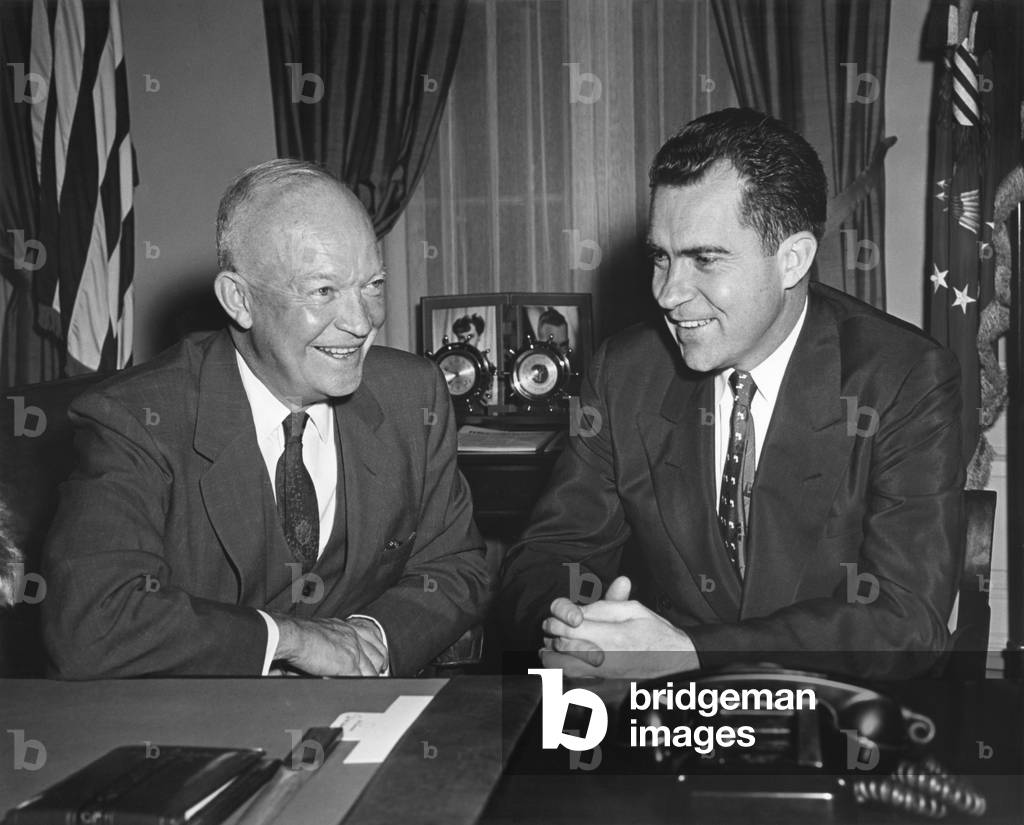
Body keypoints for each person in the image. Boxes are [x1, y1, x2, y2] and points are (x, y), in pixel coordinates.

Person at [497, 108, 963, 680]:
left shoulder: (903, 377)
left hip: (834, 718)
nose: (668, 293)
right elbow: (548, 555)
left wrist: (691, 653)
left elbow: (907, 621)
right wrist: (575, 630)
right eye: (661, 257)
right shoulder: (626, 370)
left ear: (792, 259)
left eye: (704, 259)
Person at [42, 160, 490, 679]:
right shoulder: (136, 419)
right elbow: (93, 621)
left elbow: (455, 566)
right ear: (240, 298)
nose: (362, 322)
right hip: (192, 728)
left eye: (372, 284)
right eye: (323, 291)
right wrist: (289, 640)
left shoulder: (413, 394)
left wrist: (372, 637)